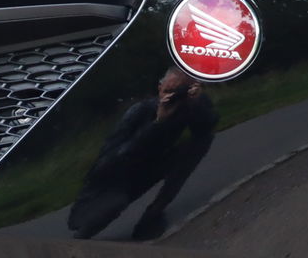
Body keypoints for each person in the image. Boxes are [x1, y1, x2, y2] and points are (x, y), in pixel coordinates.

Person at [67, 68, 218, 240]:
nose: (173, 97)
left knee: (200, 143)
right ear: (159, 88)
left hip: (151, 167)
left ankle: (154, 213)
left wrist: (196, 104)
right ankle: (81, 236)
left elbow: (205, 129)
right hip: (116, 178)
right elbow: (113, 158)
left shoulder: (188, 106)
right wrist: (157, 123)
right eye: (169, 91)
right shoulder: (140, 111)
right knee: (110, 207)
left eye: (180, 92)